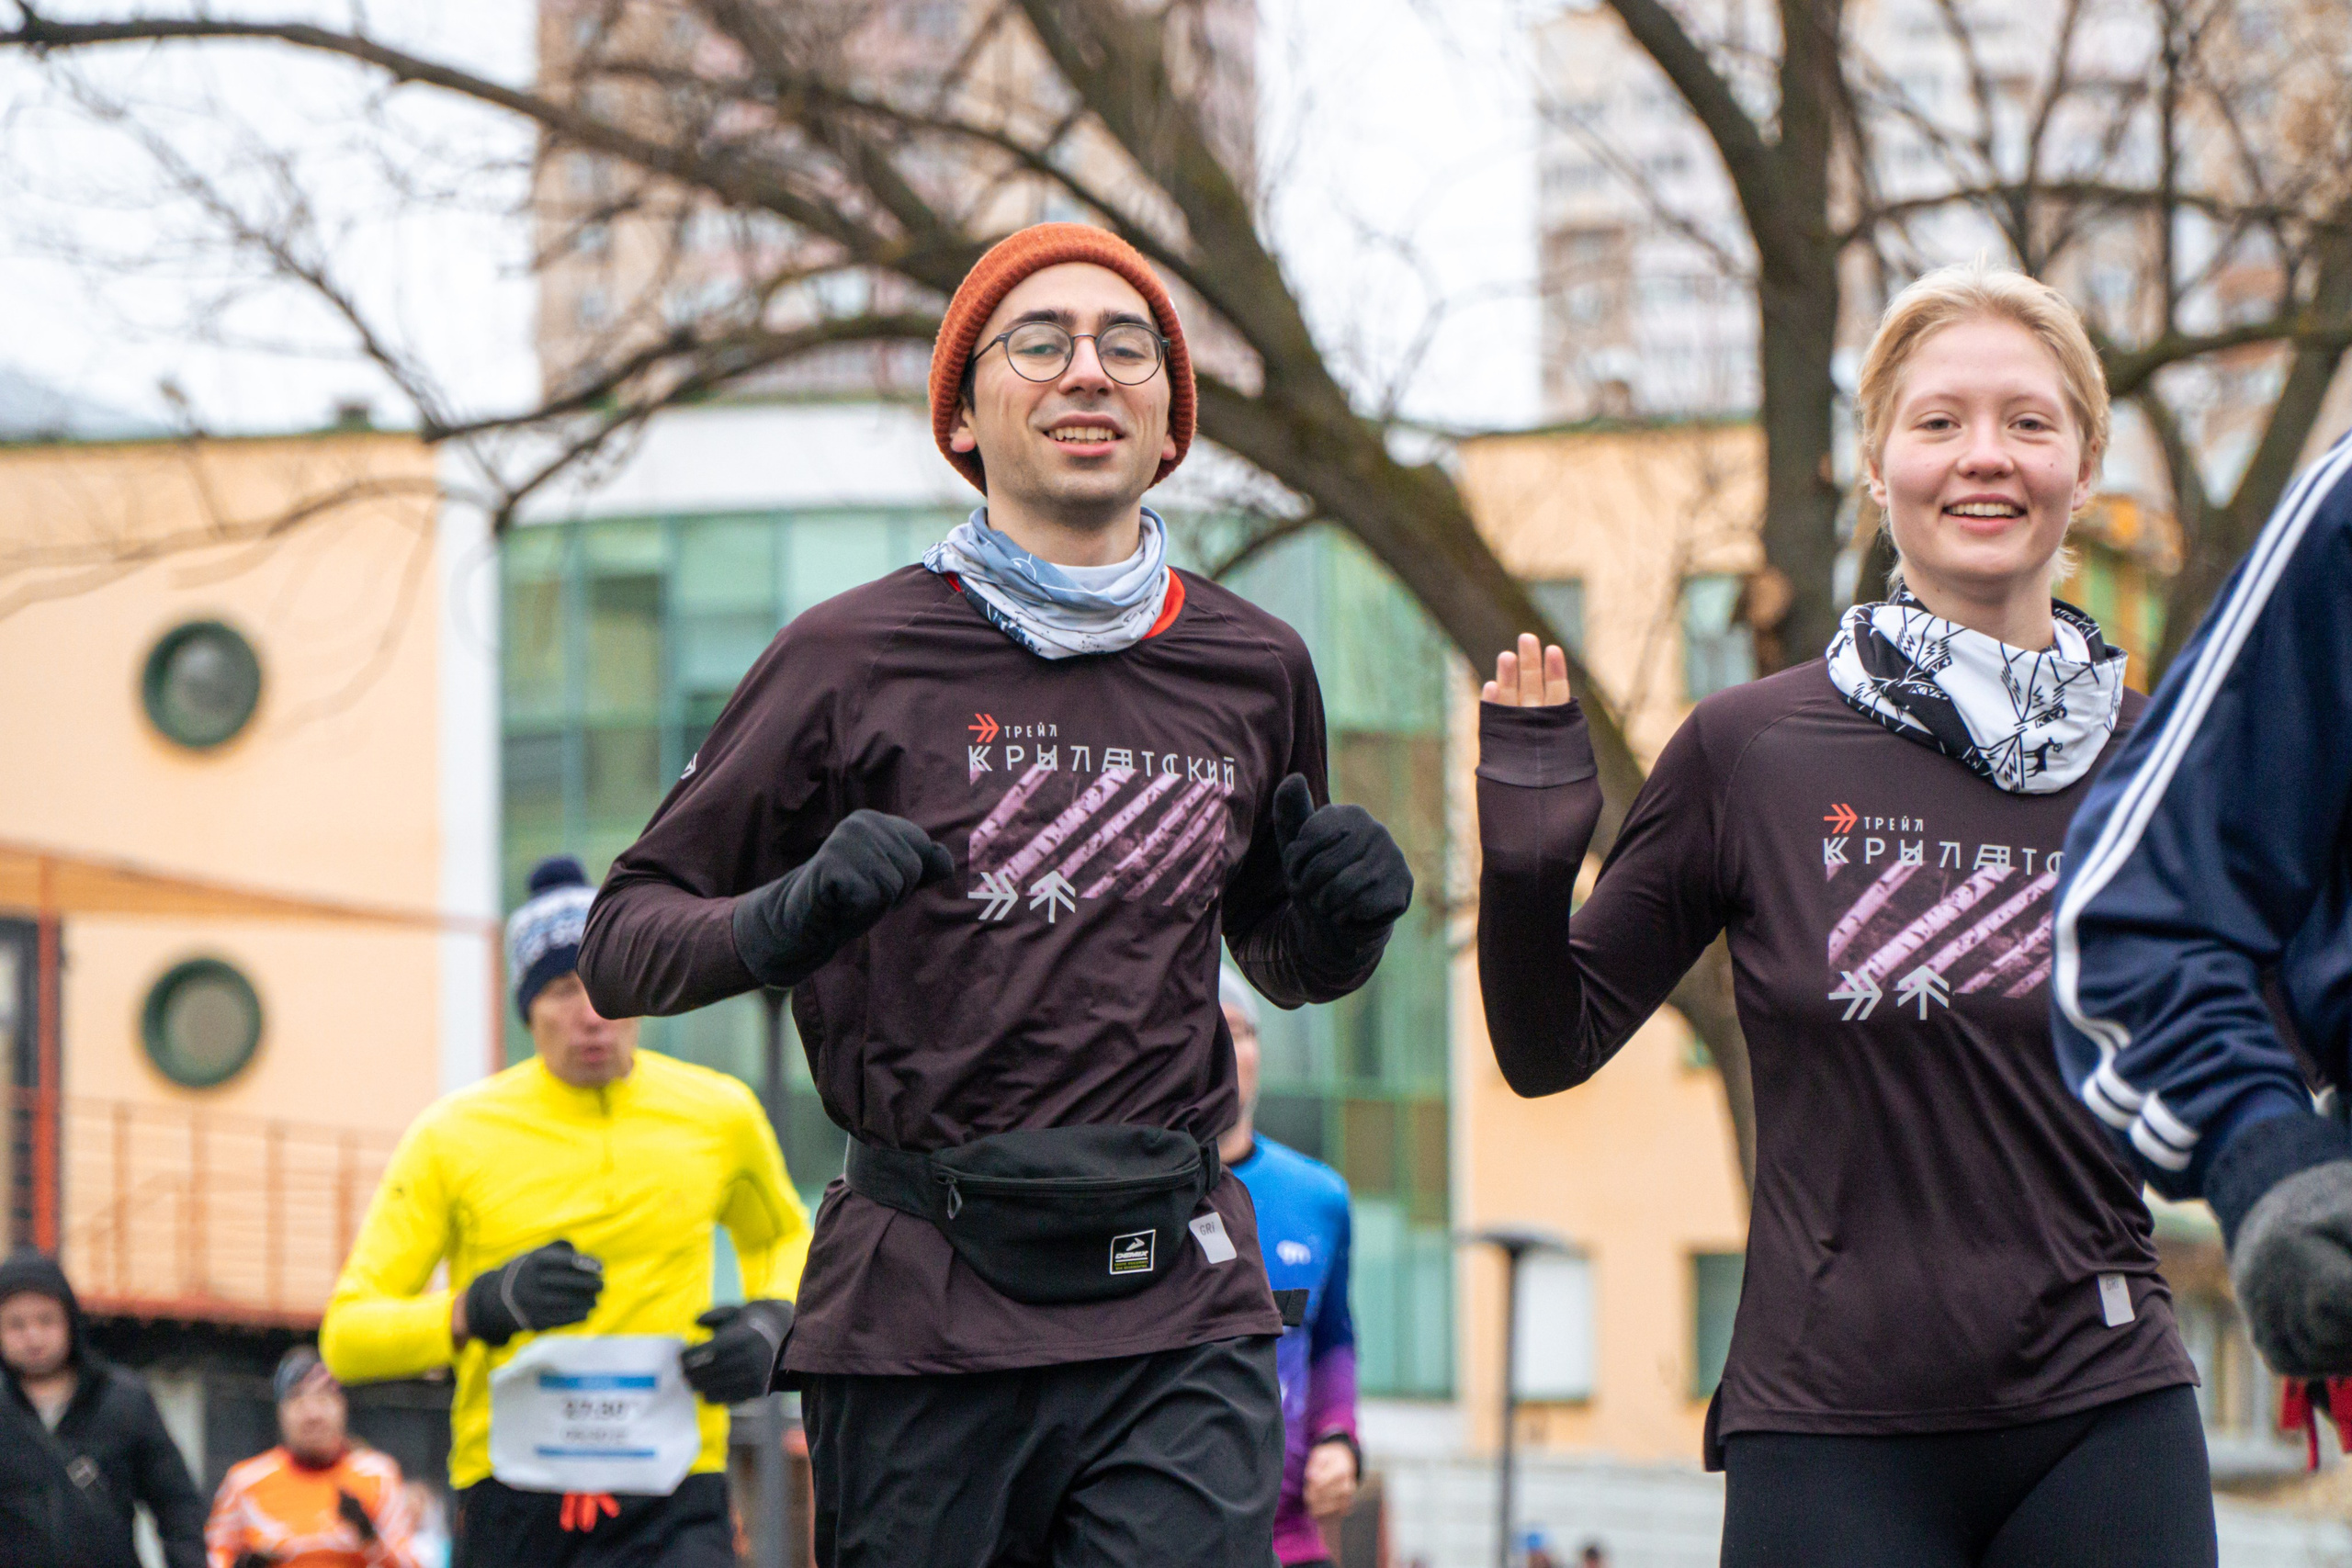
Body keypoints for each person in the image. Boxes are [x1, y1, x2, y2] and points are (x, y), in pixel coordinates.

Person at [578, 221, 1414, 1568]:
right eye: (1039, 342)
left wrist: (1344, 926)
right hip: (925, 1300)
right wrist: (785, 917)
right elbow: (621, 942)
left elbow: (1279, 954)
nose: (1087, 369)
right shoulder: (848, 655)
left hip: (1175, 1295)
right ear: (963, 417)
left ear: (1170, 420)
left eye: (1127, 346)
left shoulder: (1255, 664)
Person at [1476, 263, 2215, 1565]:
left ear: (2083, 466)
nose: (1984, 456)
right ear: (1877, 465)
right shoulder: (1746, 751)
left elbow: (2255, 1044)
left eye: (2028, 422)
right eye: (1938, 421)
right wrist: (1527, 875)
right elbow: (1548, 1047)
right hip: (1827, 1432)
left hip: (2102, 1408)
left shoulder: (2165, 766)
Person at [320, 855, 810, 1568]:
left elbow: (784, 1236)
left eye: (611, 983)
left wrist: (772, 1323)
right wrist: (477, 1309)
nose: (592, 1012)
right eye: (561, 987)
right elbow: (347, 1335)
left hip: (673, 1490)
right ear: (528, 1008)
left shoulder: (720, 1114)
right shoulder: (452, 1135)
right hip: (516, 1498)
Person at [2050, 435, 2352, 1396]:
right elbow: (2137, 918)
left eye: (2028, 424)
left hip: (2111, 1383)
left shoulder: (2126, 720)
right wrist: (2264, 1154)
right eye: (1939, 424)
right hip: (1842, 1391)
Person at [1219, 966, 1360, 1567]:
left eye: (1236, 1031)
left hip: (1292, 1545)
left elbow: (1331, 1337)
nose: (1223, 1052)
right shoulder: (1135, 1201)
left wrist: (1338, 1438)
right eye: (1203, 1032)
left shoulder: (1318, 1197)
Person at [0, 1247, 206, 1568]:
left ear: (70, 1321)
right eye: (16, 1324)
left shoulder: (123, 1400)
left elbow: (176, 1505)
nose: (33, 1336)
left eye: (46, 1320)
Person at [204, 1346, 422, 1568]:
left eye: (323, 1397)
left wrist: (371, 1541)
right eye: (297, 1399)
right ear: (280, 1412)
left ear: (342, 1406)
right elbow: (213, 1556)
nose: (312, 1414)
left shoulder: (378, 1477)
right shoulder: (244, 1482)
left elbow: (409, 1563)